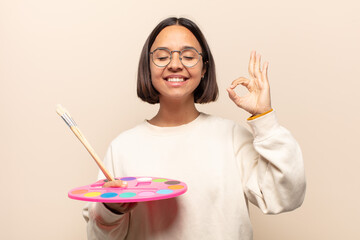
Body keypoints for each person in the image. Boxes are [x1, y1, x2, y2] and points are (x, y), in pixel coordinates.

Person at [82, 17, 306, 240]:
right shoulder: (123, 147)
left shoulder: (232, 137)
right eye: (162, 56)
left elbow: (286, 196)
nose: (175, 64)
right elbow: (99, 236)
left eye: (188, 56)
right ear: (147, 67)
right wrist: (111, 211)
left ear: (204, 68)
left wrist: (264, 117)